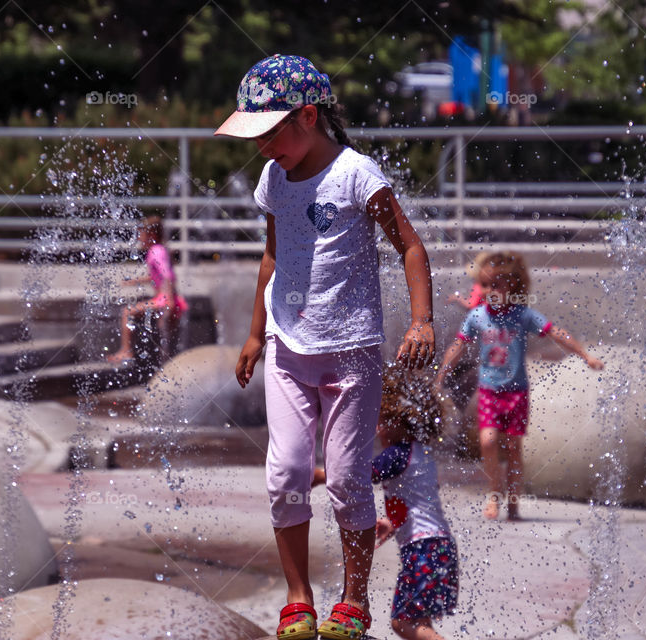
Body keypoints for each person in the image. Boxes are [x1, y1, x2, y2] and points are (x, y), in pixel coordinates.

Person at [217, 54, 434, 640]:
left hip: (352, 353)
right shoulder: (272, 180)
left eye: (269, 133)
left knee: (344, 479)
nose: (262, 147)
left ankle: (354, 598)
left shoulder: (356, 175)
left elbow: (410, 247)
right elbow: (272, 254)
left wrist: (421, 322)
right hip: (289, 347)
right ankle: (297, 596)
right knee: (285, 472)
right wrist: (256, 331)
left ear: (307, 116)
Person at [433, 252, 603, 521]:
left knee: (513, 448)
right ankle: (493, 492)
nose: (488, 291)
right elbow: (458, 346)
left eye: (495, 285)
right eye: (484, 285)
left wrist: (585, 355)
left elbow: (556, 332)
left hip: (516, 392)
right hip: (489, 391)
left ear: (512, 285)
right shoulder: (477, 316)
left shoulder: (523, 316)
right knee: (487, 441)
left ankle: (513, 500)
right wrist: (442, 373)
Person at [372, 364, 457, 640]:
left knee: (403, 623)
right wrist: (393, 522)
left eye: (382, 419)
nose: (376, 428)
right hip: (440, 547)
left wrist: (321, 475)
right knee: (421, 623)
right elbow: (419, 501)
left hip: (423, 550)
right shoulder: (421, 454)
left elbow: (360, 476)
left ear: (400, 420)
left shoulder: (396, 455)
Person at [107, 216, 188, 364]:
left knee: (127, 312)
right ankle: (170, 364)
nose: (139, 238)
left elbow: (167, 276)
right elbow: (155, 276)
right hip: (170, 298)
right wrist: (134, 281)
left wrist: (168, 300)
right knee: (167, 338)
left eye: (141, 234)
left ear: (151, 235)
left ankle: (126, 351)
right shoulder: (160, 250)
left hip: (164, 299)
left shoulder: (155, 251)